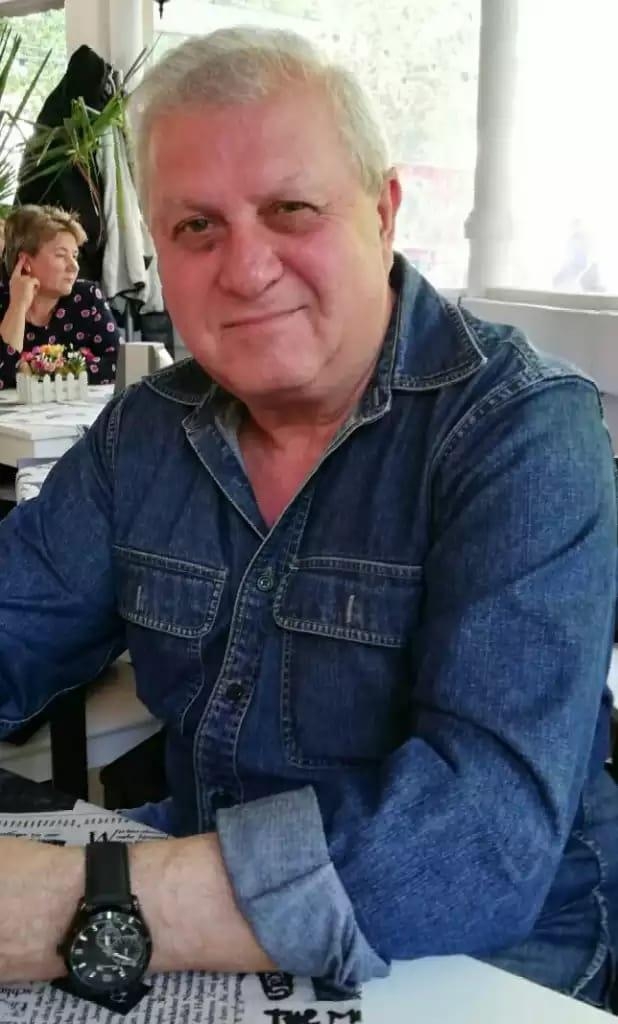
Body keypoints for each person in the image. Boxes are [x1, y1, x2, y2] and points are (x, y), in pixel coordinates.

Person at [0, 26, 616, 1011]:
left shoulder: (522, 429)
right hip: (196, 914)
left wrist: (78, 903)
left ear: (383, 211)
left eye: (290, 209)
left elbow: (483, 837)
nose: (246, 270)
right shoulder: (146, 431)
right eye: (197, 227)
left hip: (486, 966)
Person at [0, 205, 120, 388]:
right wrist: (18, 306)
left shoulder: (87, 298)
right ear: (26, 262)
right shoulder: (3, 301)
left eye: (75, 256)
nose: (74, 266)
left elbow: (119, 364)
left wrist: (43, 369)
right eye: (61, 255)